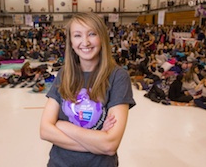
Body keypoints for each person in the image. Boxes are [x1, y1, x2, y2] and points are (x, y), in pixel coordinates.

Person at [40, 12, 136, 167]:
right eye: (77, 35)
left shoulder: (118, 76)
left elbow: (110, 144)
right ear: (71, 42)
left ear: (102, 38)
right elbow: (45, 130)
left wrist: (62, 125)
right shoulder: (65, 74)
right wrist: (97, 139)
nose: (85, 42)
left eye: (91, 34)